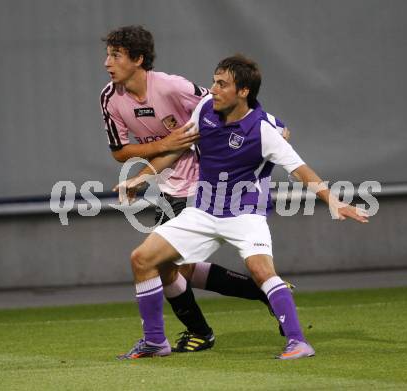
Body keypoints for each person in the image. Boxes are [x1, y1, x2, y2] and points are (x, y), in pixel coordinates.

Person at [116, 55, 369, 360]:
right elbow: (180, 145)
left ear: (243, 91)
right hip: (202, 212)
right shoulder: (205, 108)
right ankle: (155, 342)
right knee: (143, 259)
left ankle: (298, 342)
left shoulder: (262, 131)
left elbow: (299, 169)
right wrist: (142, 178)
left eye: (222, 84)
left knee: (261, 270)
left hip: (244, 215)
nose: (213, 89)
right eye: (214, 81)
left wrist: (332, 200)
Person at [100, 25, 290, 355]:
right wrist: (149, 165)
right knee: (174, 266)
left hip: (204, 181)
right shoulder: (110, 99)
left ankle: (193, 332)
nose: (107, 62)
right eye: (108, 54)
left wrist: (271, 123)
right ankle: (264, 292)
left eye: (115, 55)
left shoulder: (172, 86)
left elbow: (223, 102)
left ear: (138, 59)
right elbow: (119, 151)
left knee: (157, 262)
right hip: (167, 186)